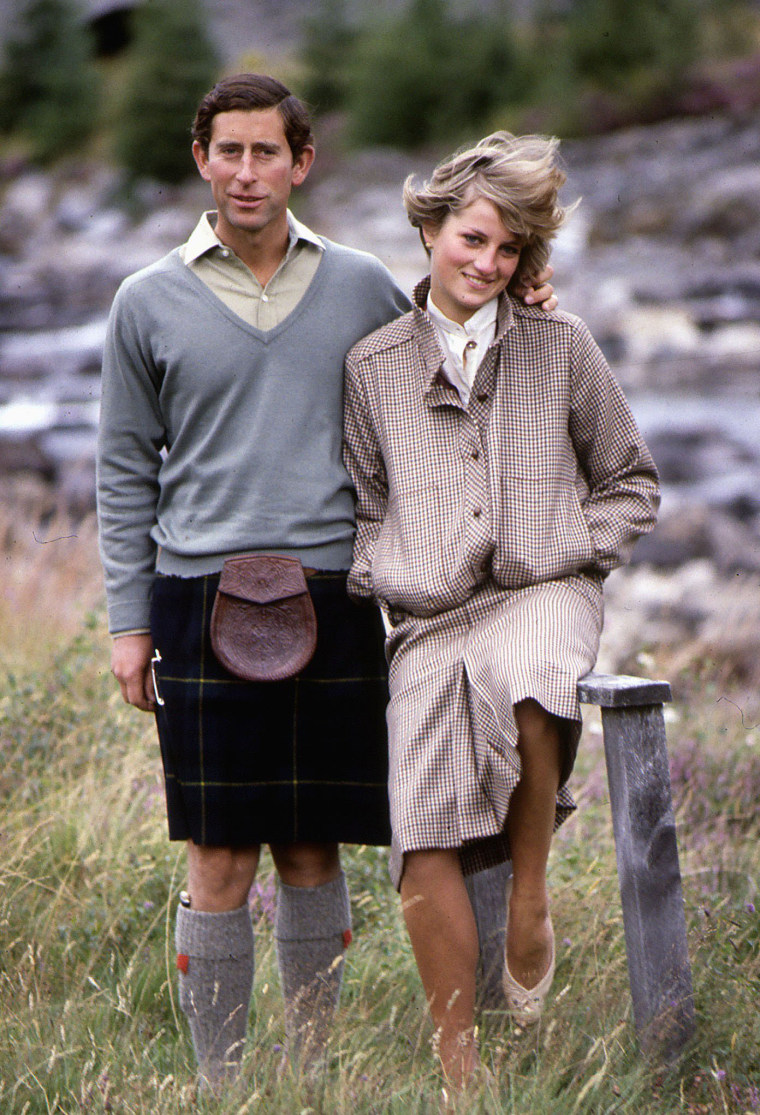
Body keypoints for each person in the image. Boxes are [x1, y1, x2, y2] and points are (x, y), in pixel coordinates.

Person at [96, 75, 558, 1092]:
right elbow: (125, 471)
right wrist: (131, 623)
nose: (247, 172)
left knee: (311, 847)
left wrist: (524, 303)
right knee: (218, 853)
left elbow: (448, 355)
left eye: (268, 152)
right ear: (200, 158)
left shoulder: (355, 284)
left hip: (332, 592)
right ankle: (220, 1085)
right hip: (198, 595)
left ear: (301, 161)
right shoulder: (145, 302)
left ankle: (311, 1073)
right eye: (230, 152)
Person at [343, 131, 660, 1087]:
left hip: (546, 592)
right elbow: (362, 506)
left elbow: (631, 482)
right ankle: (459, 1068)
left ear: (530, 261)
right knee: (423, 825)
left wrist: (569, 549)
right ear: (431, 227)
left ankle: (529, 894)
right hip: (431, 619)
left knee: (530, 681)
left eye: (509, 249)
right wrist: (390, 570)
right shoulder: (373, 367)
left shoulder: (562, 346)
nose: (486, 263)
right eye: (472, 239)